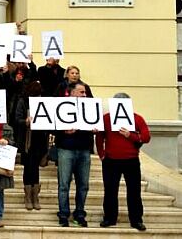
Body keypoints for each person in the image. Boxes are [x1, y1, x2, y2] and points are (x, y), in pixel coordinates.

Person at [96, 92, 151, 231]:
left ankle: (136, 219)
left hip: (131, 160)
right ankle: (109, 218)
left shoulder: (136, 118)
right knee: (110, 190)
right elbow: (99, 137)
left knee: (134, 191)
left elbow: (146, 137)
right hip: (111, 160)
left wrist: (130, 135)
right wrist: (102, 154)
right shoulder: (106, 119)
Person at [55, 82, 95, 227]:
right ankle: (63, 214)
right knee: (64, 184)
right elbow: (52, 127)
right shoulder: (60, 107)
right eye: (81, 92)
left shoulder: (90, 108)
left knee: (83, 185)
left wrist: (95, 129)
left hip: (84, 149)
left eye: (85, 92)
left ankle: (79, 213)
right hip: (66, 149)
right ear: (72, 93)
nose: (85, 95)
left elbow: (94, 124)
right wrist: (62, 130)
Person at [15, 81, 47, 210]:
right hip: (28, 139)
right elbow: (17, 118)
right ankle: (28, 196)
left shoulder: (43, 102)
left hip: (40, 139)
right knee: (28, 168)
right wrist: (25, 121)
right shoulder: (22, 102)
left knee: (36, 168)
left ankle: (35, 195)